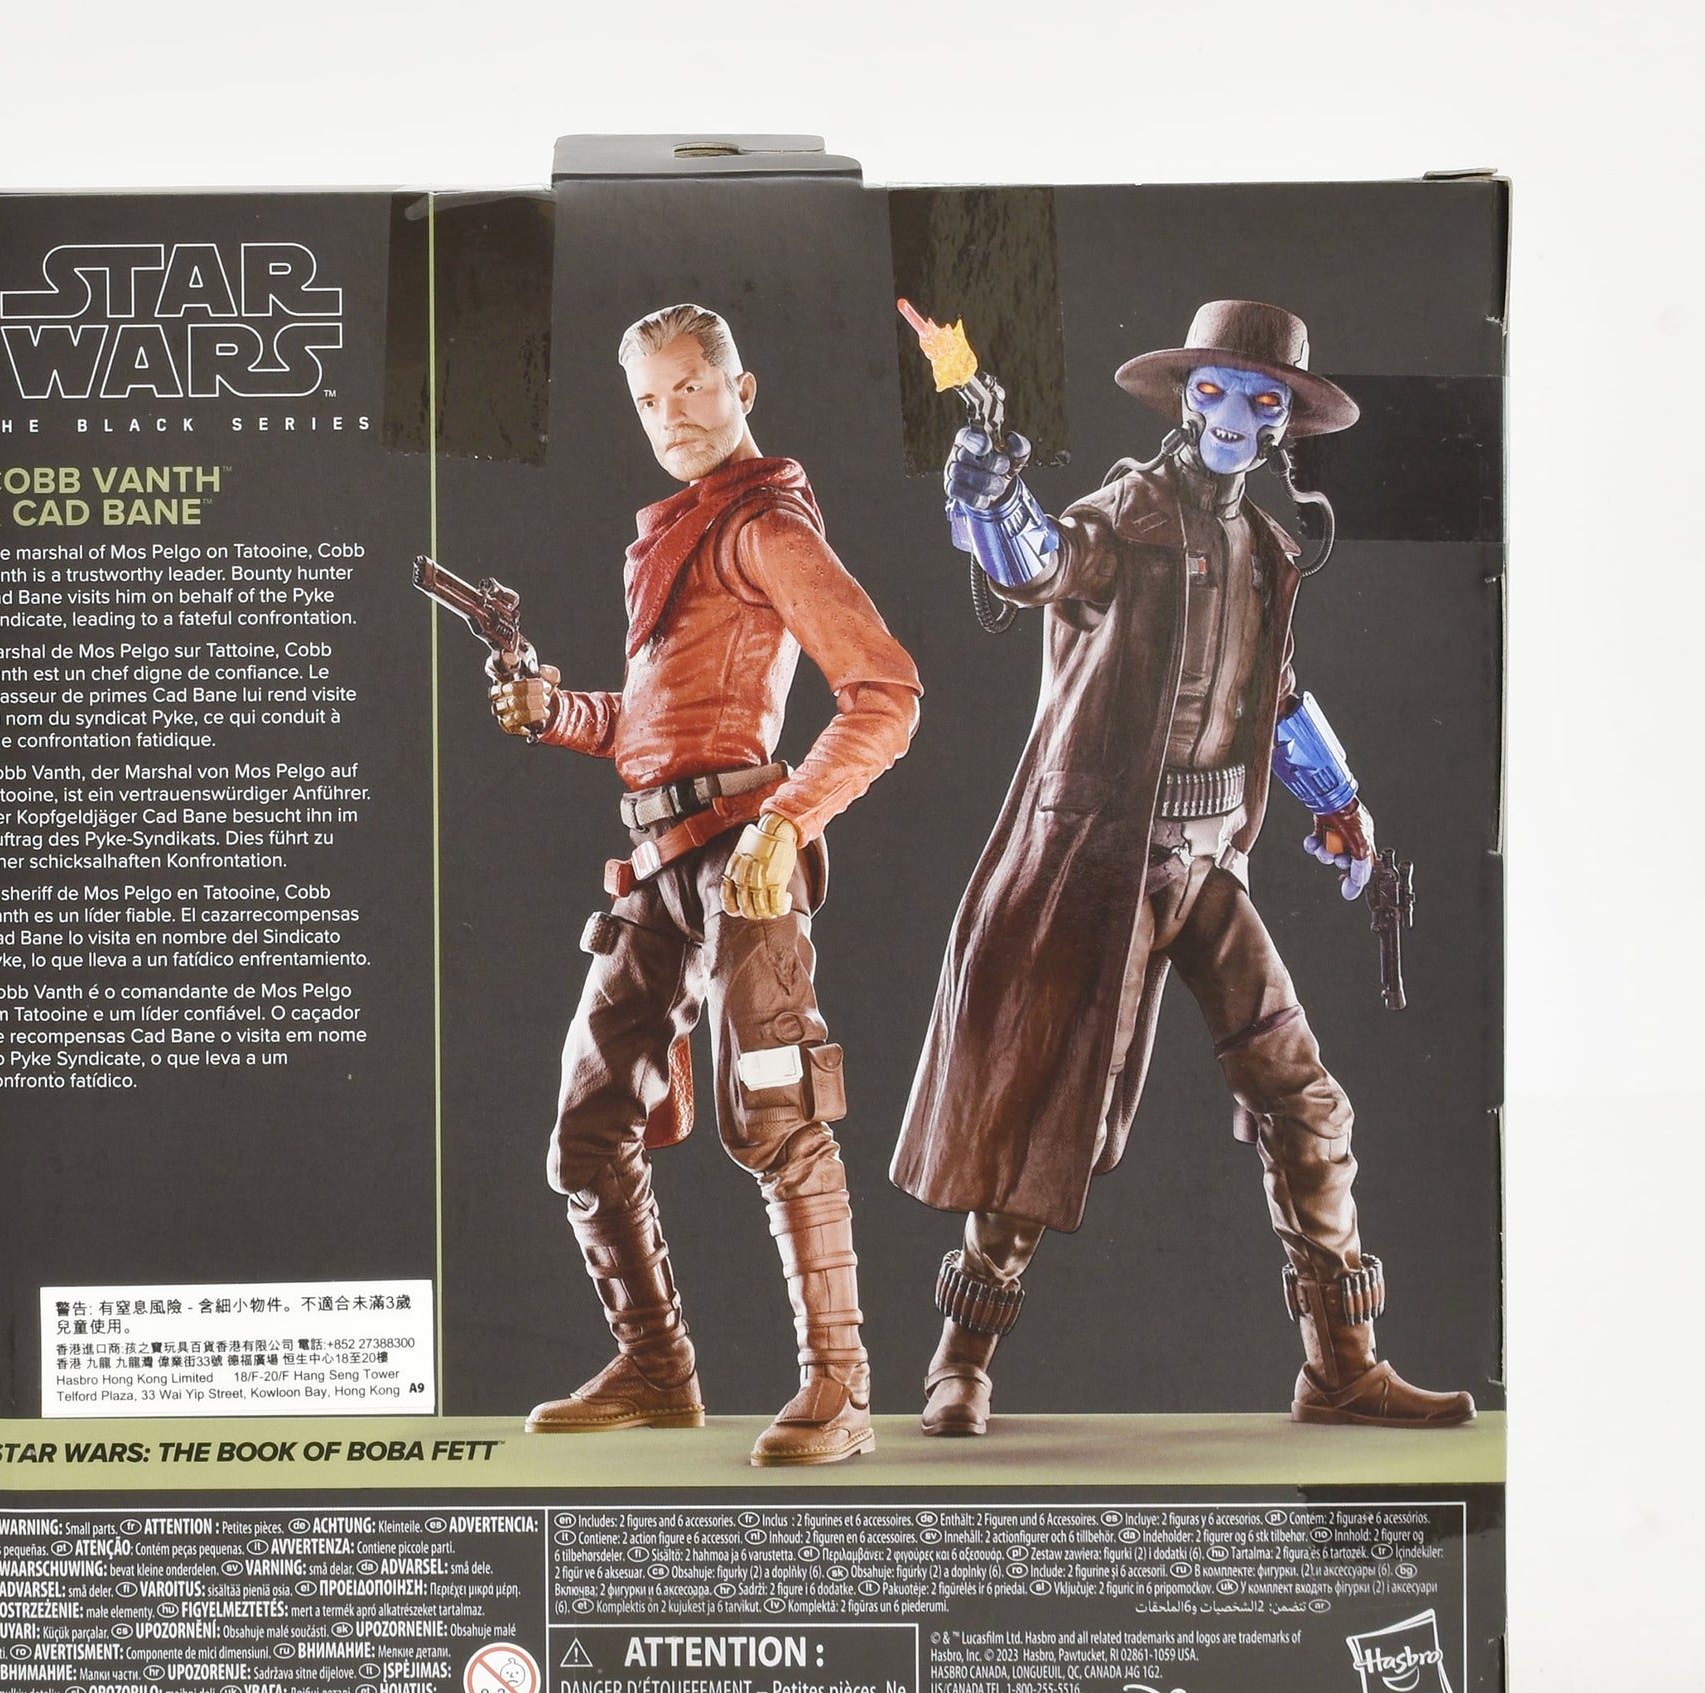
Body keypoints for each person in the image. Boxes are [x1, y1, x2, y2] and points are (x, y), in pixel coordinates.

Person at [892, 300, 1474, 1436]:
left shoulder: (1265, 549)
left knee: (1302, 1097)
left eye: (1261, 400)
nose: (1235, 415)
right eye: (1215, 391)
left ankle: (1341, 1364)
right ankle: (958, 1362)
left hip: (1209, 861)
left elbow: (1277, 694)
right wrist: (987, 487)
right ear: (1184, 400)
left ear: (1283, 423)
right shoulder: (1124, 515)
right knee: (1045, 1100)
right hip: (1101, 858)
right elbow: (1038, 563)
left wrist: (1338, 800)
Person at [496, 302, 921, 1466]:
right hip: (657, 869)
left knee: (775, 1110)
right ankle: (655, 1368)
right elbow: (653, 731)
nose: (669, 415)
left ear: (741, 389)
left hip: (743, 867)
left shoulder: (762, 526)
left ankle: (839, 1387)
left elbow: (884, 694)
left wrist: (788, 821)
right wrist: (555, 711)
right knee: (588, 1130)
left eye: (689, 386)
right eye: (647, 398)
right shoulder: (675, 536)